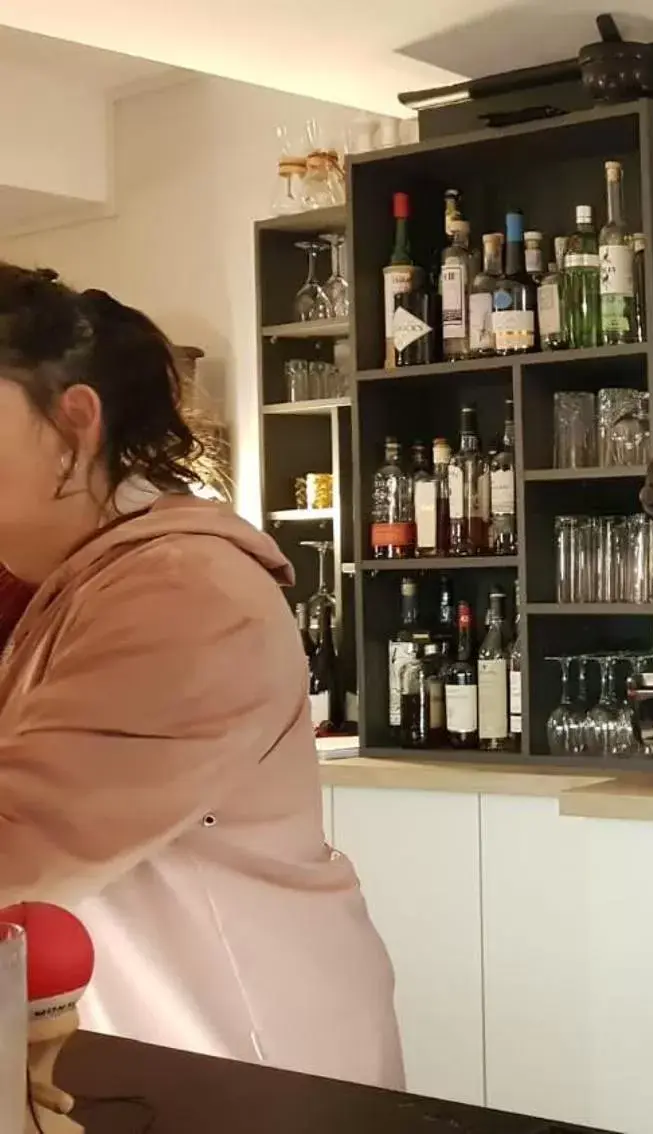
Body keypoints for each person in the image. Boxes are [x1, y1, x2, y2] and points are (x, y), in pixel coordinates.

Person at [0, 264, 403, 1088]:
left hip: (242, 1057)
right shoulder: (73, 578)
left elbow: (22, 831)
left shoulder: (183, 591)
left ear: (75, 424)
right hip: (146, 1050)